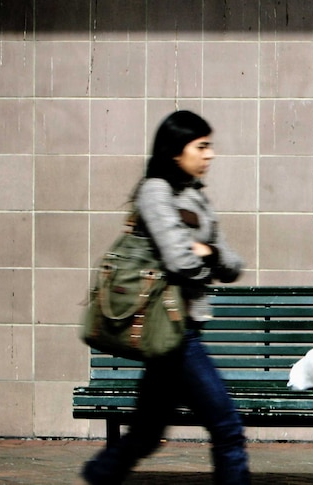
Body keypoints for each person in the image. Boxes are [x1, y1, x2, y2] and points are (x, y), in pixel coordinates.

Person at [82, 111, 251, 485]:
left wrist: (206, 253)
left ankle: (98, 475)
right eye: (202, 147)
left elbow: (232, 263)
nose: (210, 155)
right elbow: (179, 260)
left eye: (210, 147)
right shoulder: (155, 190)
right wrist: (204, 258)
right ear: (177, 151)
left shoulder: (195, 195)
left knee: (144, 434)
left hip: (179, 328)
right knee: (227, 427)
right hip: (174, 332)